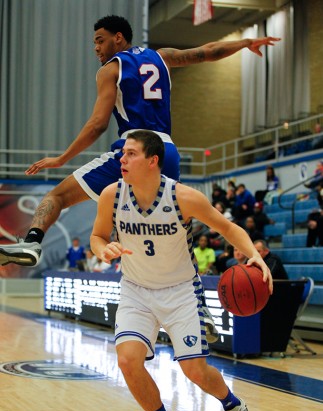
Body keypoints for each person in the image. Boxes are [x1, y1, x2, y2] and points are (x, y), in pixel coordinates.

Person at [0, 14, 280, 267]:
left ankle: (33, 242)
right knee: (175, 227)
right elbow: (208, 52)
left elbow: (98, 125)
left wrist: (61, 159)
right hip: (167, 151)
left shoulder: (111, 69)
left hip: (134, 148)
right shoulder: (162, 56)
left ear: (118, 38)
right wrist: (246, 42)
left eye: (100, 40)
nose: (96, 47)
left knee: (57, 196)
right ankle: (196, 299)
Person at [90, 130, 272, 411]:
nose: (121, 160)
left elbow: (229, 229)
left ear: (152, 160)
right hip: (135, 290)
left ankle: (232, 405)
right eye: (122, 154)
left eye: (130, 154)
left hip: (180, 292)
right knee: (128, 361)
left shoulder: (184, 198)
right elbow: (97, 236)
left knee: (195, 371)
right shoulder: (111, 195)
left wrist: (255, 256)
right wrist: (104, 249)